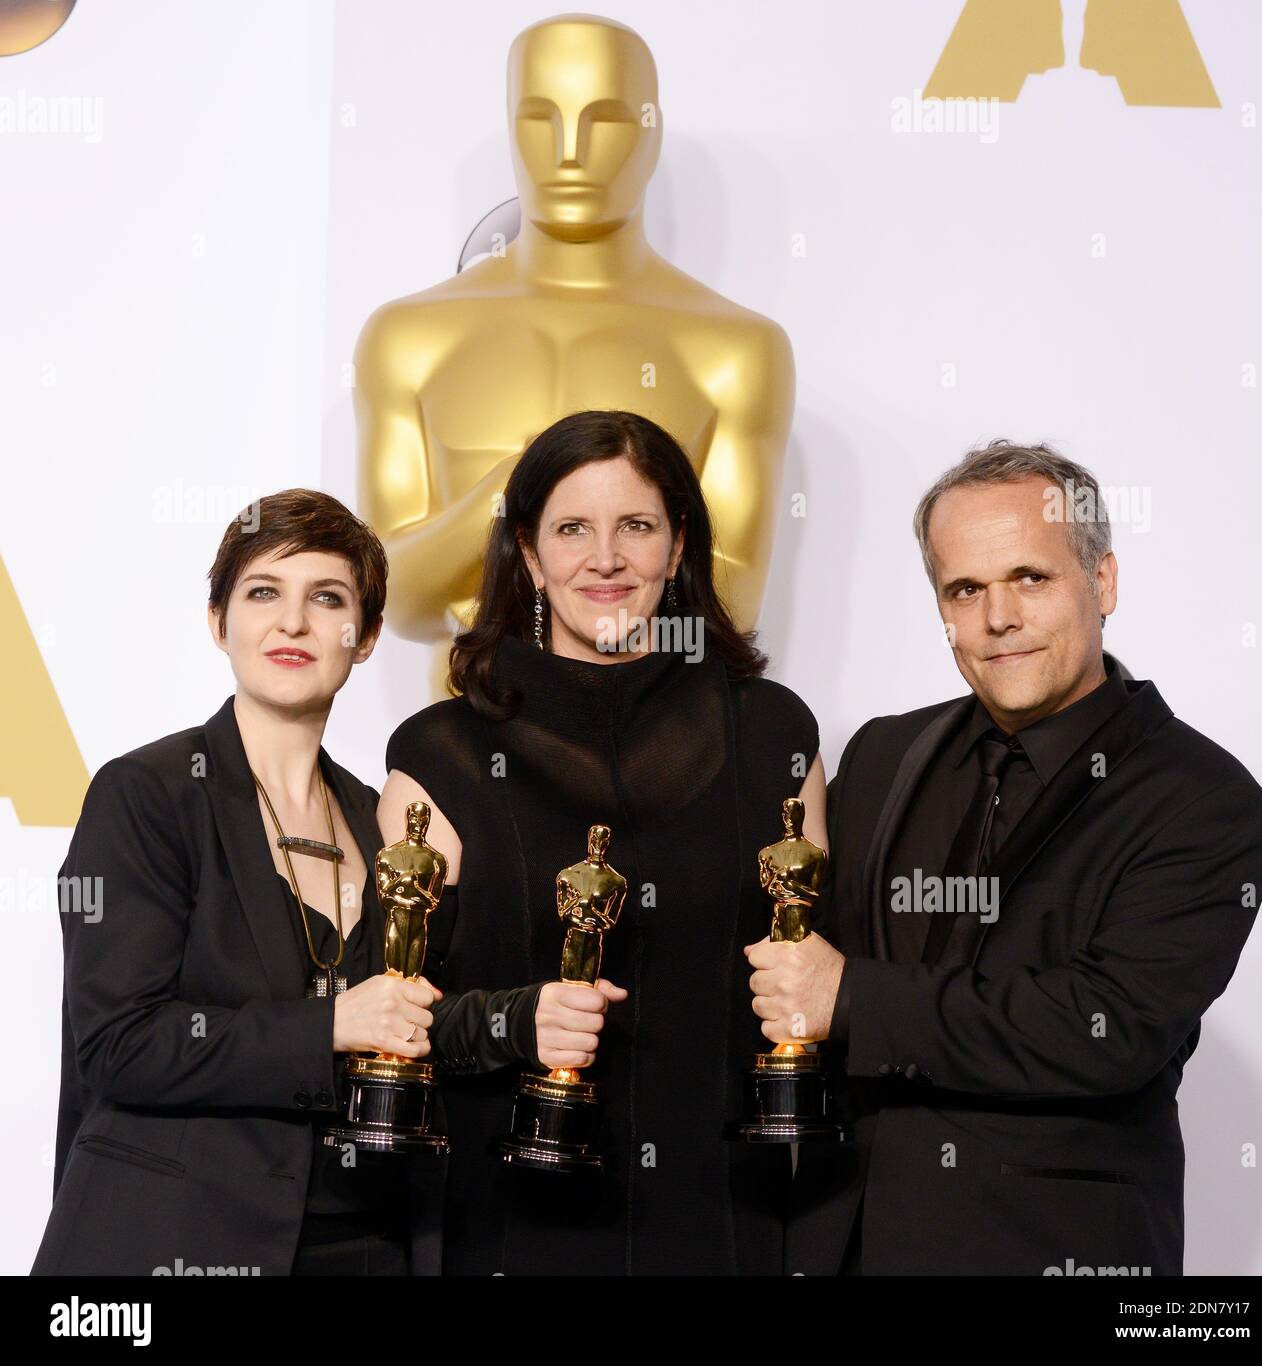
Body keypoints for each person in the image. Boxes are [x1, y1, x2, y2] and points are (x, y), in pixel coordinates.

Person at [758, 440, 1262, 1276]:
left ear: (1102, 583)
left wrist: (850, 996)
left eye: (1030, 579)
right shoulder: (887, 753)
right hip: (837, 1242)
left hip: (1051, 1250)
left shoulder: (1207, 802)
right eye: (966, 589)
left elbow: (1105, 1027)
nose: (998, 617)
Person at [31, 489, 561, 1277]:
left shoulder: (380, 817)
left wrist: (520, 1020)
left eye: (327, 598)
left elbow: (404, 1025)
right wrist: (330, 1028)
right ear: (219, 622)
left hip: (363, 1242)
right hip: (172, 1242)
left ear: (368, 635)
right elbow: (119, 1046)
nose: (293, 622)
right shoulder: (149, 794)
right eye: (262, 593)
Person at [380, 409, 826, 1275]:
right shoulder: (444, 751)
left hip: (726, 1224)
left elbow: (813, 985)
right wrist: (517, 1021)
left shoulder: (774, 735)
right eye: (573, 528)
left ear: (680, 542)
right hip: (515, 1219)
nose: (607, 558)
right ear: (528, 550)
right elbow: (392, 1030)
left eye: (637, 526)